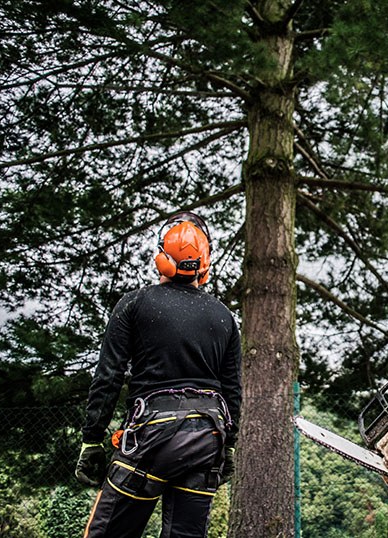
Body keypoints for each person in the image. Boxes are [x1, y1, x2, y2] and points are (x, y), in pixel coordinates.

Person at [76, 211, 242, 538]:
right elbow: (232, 391)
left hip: (150, 439)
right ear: (204, 267)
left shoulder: (135, 304)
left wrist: (92, 439)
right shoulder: (224, 317)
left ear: (161, 259)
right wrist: (229, 447)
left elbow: (108, 376)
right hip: (207, 441)